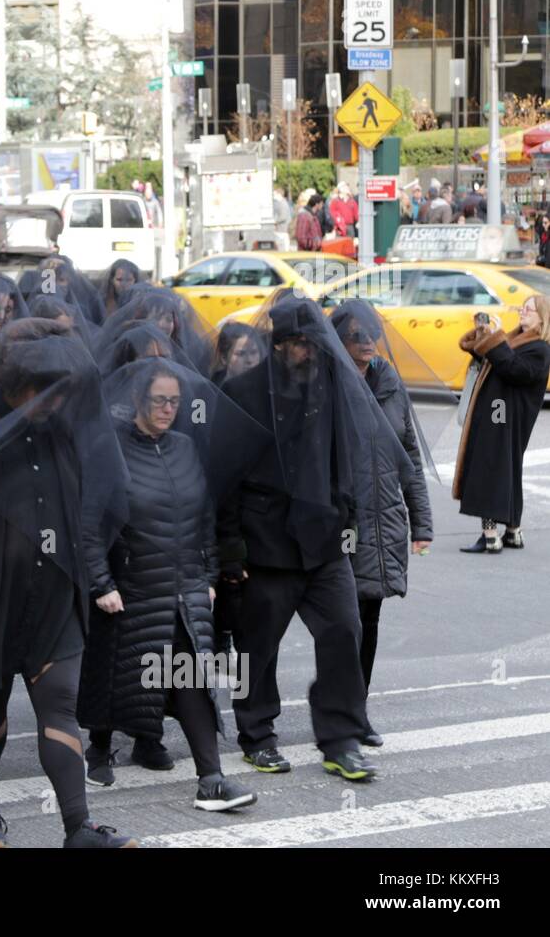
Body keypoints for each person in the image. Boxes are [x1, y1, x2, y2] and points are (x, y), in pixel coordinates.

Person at [0, 318, 136, 848]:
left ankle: (78, 827)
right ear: (12, 387)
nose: (55, 403)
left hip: (56, 593)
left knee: (58, 704)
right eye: (43, 392)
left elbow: (93, 497)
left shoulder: (62, 426)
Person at [218, 298, 391, 781]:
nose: (307, 352)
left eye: (312, 343)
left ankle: (341, 740)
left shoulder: (333, 387)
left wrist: (347, 516)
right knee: (258, 648)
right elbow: (224, 477)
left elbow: (347, 458)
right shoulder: (243, 390)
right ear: (278, 344)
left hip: (324, 541)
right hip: (265, 544)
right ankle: (257, 736)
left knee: (343, 632)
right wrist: (231, 550)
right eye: (297, 344)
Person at [79, 358, 260, 811]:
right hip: (128, 587)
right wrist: (101, 583)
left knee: (192, 678)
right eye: (159, 400)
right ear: (139, 400)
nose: (167, 409)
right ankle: (99, 748)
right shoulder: (110, 448)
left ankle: (212, 780)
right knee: (115, 675)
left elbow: (203, 516)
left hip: (184, 589)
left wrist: (209, 575)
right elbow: (87, 524)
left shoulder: (183, 446)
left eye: (174, 402)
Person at [331, 302, 434, 744]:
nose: (366, 342)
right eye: (356, 335)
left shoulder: (390, 383)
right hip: (342, 523)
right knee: (342, 622)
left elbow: (408, 453)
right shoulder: (329, 383)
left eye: (371, 332)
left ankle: (356, 712)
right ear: (339, 338)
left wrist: (422, 522)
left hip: (383, 520)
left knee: (368, 617)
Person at [453, 295, 550, 552]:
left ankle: (489, 536)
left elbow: (512, 368)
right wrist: (484, 334)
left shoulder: (540, 347)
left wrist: (496, 338)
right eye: (522, 308)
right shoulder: (518, 339)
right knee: (508, 470)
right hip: (500, 415)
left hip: (505, 417)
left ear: (542, 316)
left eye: (528, 310)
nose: (522, 312)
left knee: (491, 469)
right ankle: (512, 532)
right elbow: (493, 358)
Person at [209, 322, 262, 386]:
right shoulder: (211, 389)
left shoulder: (266, 385)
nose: (249, 360)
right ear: (224, 358)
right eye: (241, 354)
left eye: (253, 352)